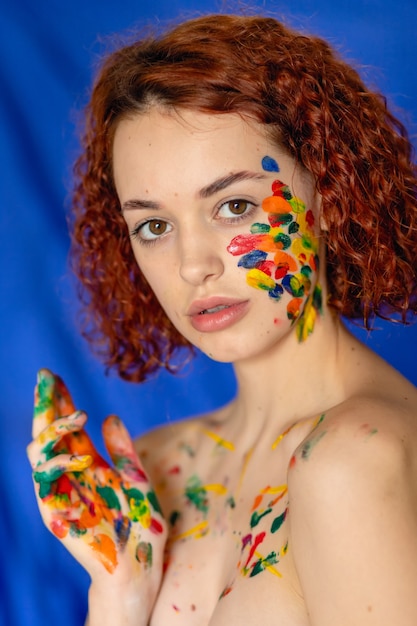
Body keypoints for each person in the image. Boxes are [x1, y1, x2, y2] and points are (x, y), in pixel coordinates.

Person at [27, 13, 417, 626]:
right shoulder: (157, 467)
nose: (192, 266)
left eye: (233, 206)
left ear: (328, 188)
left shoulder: (350, 462)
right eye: (154, 226)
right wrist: (119, 598)